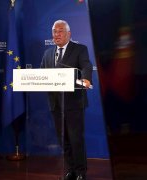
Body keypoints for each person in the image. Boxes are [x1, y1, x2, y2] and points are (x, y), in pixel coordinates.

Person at [41, 20, 93, 180]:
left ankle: (81, 172)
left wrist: (86, 79)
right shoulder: (48, 53)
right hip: (55, 103)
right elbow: (42, 73)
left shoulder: (79, 49)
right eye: (54, 31)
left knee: (76, 139)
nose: (56, 34)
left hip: (74, 103)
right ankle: (70, 170)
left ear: (69, 34)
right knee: (63, 140)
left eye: (60, 31)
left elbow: (86, 66)